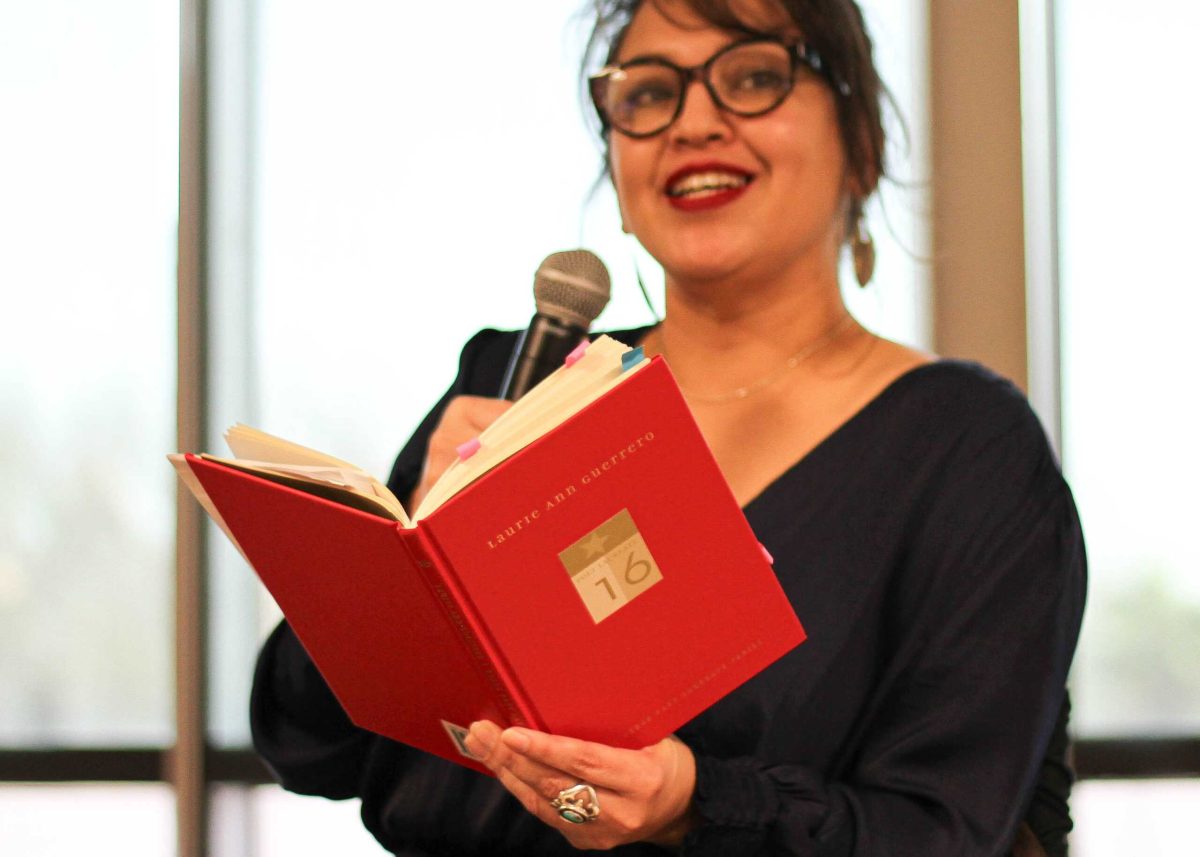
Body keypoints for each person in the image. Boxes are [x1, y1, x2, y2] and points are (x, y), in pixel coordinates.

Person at [249, 0, 1086, 854]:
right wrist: (395, 578)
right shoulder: (513, 380)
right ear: (617, 176)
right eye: (647, 94)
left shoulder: (961, 448)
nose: (692, 122)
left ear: (862, 147)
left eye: (756, 77)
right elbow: (310, 744)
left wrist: (696, 803)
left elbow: (941, 829)